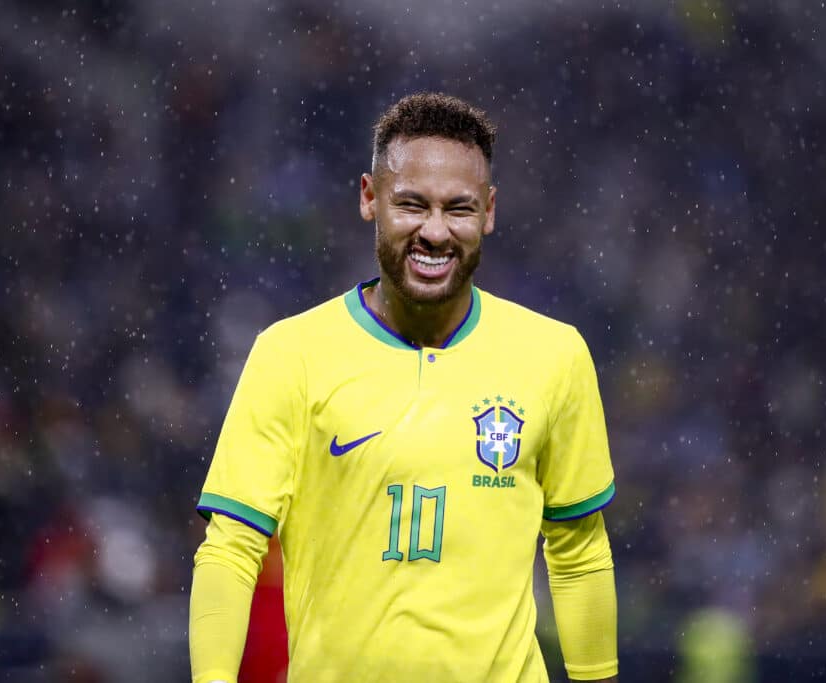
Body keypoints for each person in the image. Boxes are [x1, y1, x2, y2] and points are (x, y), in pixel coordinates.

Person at [189, 92, 619, 683]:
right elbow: (231, 549)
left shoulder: (554, 355)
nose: (435, 232)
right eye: (412, 205)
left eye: (459, 209)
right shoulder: (291, 354)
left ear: (489, 211)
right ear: (370, 198)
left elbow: (578, 553)